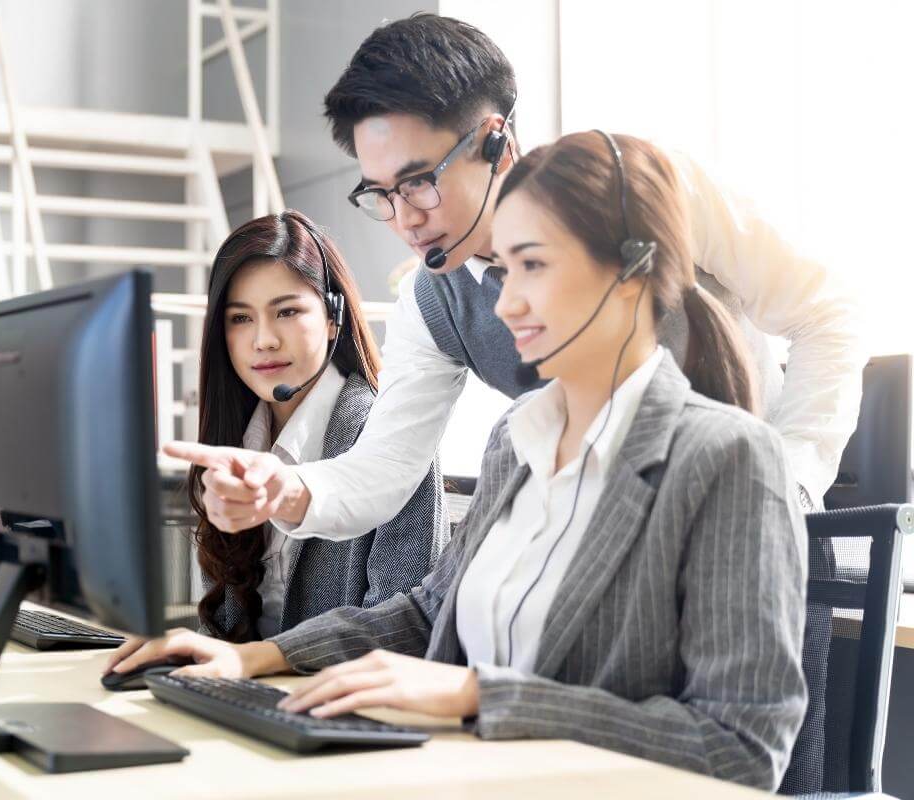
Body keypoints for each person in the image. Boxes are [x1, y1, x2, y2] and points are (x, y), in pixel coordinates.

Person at [110, 132, 808, 791]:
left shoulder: (731, 460)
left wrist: (479, 696)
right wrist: (252, 658)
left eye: (532, 264)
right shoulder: (517, 438)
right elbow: (426, 611)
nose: (503, 302)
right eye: (502, 268)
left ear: (630, 273)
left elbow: (740, 748)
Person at [165, 13, 864, 544]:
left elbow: (825, 312)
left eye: (418, 183)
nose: (404, 218)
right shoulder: (433, 295)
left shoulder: (649, 189)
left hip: (749, 539)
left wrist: (792, 480)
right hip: (607, 555)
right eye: (379, 193)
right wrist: (281, 489)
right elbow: (384, 468)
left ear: (497, 141)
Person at [162, 211, 447, 643]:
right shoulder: (234, 442)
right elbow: (222, 626)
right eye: (240, 318)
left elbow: (403, 635)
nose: (264, 340)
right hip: (247, 696)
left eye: (287, 311)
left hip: (341, 703)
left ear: (334, 316)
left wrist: (258, 663)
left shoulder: (388, 439)